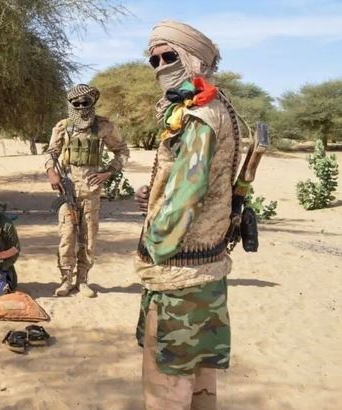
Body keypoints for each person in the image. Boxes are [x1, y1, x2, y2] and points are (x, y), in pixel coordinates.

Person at [134, 21, 239, 410]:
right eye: (154, 59)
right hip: (206, 267)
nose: (160, 65)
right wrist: (154, 195)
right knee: (199, 374)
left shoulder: (199, 115)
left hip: (179, 273)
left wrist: (153, 246)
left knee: (167, 384)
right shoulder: (210, 107)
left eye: (169, 56)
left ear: (197, 60)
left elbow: (185, 197)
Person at [45, 84, 129, 297]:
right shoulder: (63, 127)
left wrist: (107, 172)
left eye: (86, 102)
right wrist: (51, 172)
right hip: (67, 190)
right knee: (66, 236)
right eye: (77, 103)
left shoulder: (104, 126)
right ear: (71, 104)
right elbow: (51, 153)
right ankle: (65, 280)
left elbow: (122, 151)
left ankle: (82, 281)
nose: (81, 107)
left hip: (91, 191)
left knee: (89, 237)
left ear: (93, 103)